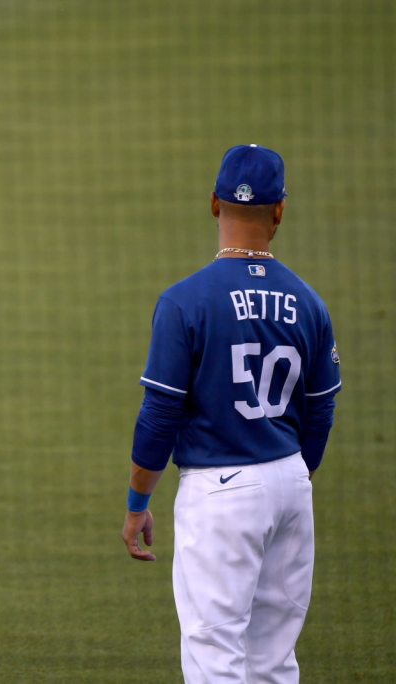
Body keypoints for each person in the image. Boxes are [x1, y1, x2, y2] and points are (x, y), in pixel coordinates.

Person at [120, 145, 340, 683]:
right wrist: (290, 477)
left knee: (214, 657)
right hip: (290, 485)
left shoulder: (184, 301)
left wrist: (136, 504)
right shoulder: (309, 303)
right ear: (280, 211)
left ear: (214, 204)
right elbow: (321, 409)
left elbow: (159, 416)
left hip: (219, 493)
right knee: (272, 661)